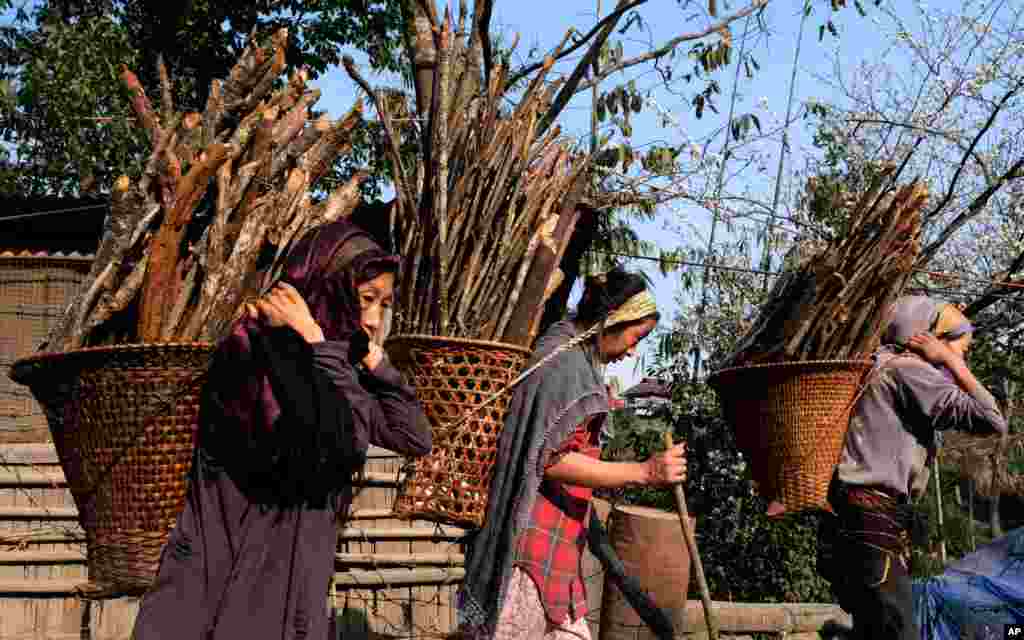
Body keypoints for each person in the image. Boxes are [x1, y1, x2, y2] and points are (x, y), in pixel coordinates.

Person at [132, 220, 432, 640]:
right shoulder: (253, 353)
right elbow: (339, 445)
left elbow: (413, 437)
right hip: (222, 592)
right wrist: (316, 341)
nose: (373, 319)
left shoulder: (331, 365)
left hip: (287, 594)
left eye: (384, 305)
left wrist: (376, 364)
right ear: (325, 288)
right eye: (366, 299)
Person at [458, 267, 687, 640]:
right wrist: (644, 472)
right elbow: (552, 458)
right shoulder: (565, 366)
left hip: (555, 545)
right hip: (529, 547)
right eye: (635, 337)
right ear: (612, 320)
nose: (633, 350)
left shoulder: (570, 355)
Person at [817, 295, 1007, 640]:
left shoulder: (874, 364)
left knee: (876, 627)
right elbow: (992, 420)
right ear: (928, 339)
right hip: (872, 523)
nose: (960, 357)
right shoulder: (909, 372)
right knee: (900, 631)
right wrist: (953, 363)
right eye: (958, 349)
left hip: (850, 524)